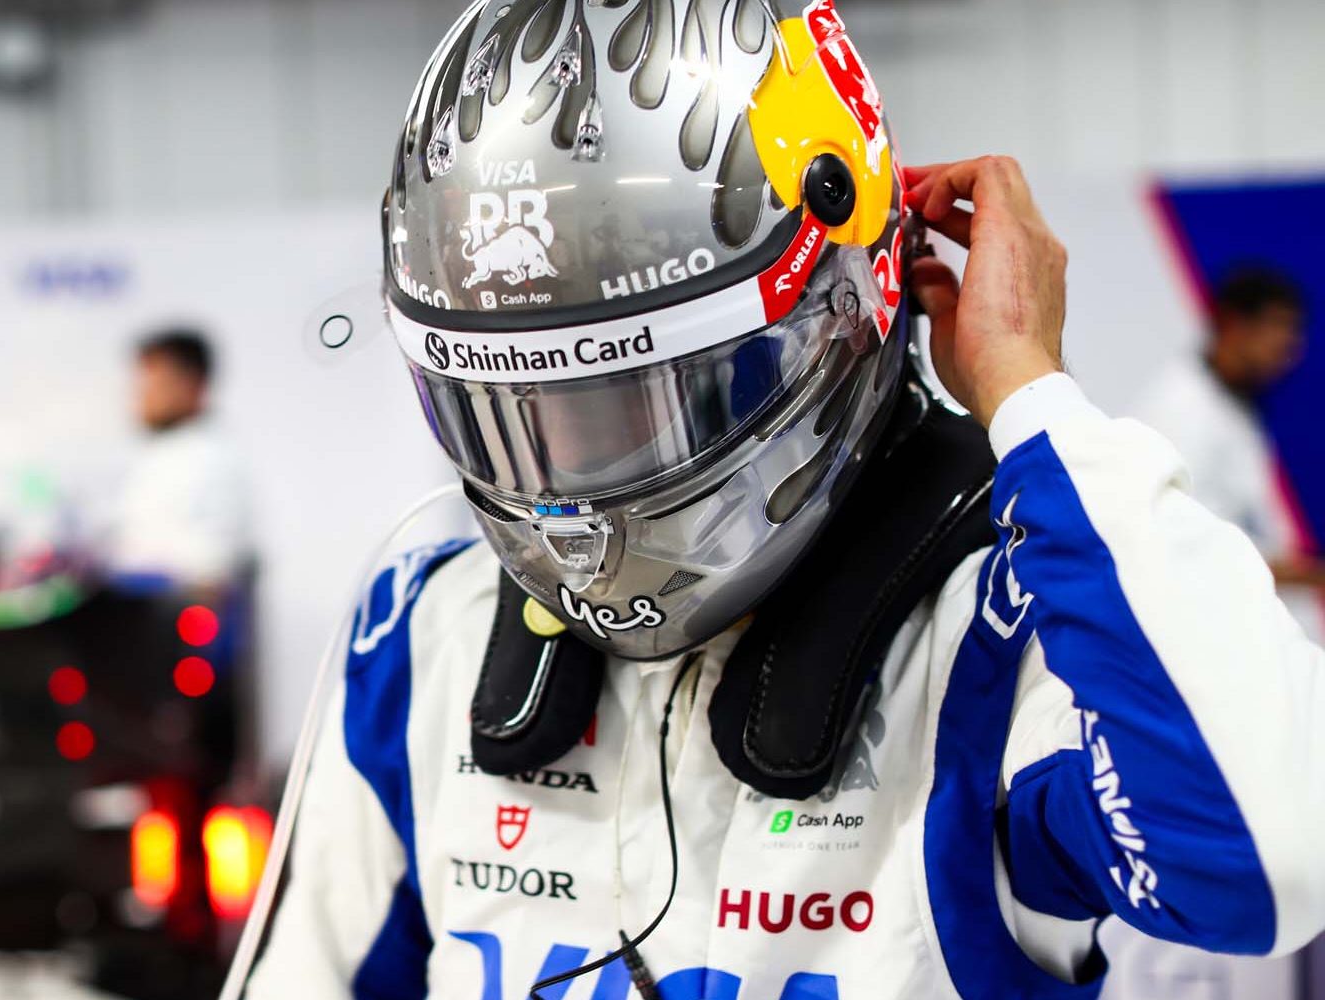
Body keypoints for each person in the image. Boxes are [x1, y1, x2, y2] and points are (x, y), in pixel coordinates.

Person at [236, 3, 1325, 998]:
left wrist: (1029, 392)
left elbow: (1267, 865)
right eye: (515, 413)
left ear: (839, 304)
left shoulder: (1000, 630)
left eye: (632, 404)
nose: (570, 473)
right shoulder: (428, 624)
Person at [1132, 268, 1320, 638]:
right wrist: (1309, 574)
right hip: (1204, 629)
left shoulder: (1232, 401)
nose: (1290, 347)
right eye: (1280, 328)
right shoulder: (1181, 409)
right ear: (1235, 324)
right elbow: (1182, 539)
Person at [105, 327, 251, 592]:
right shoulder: (158, 456)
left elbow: (211, 566)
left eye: (154, 384)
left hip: (163, 620)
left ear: (192, 386)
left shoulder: (211, 462)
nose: (142, 397)